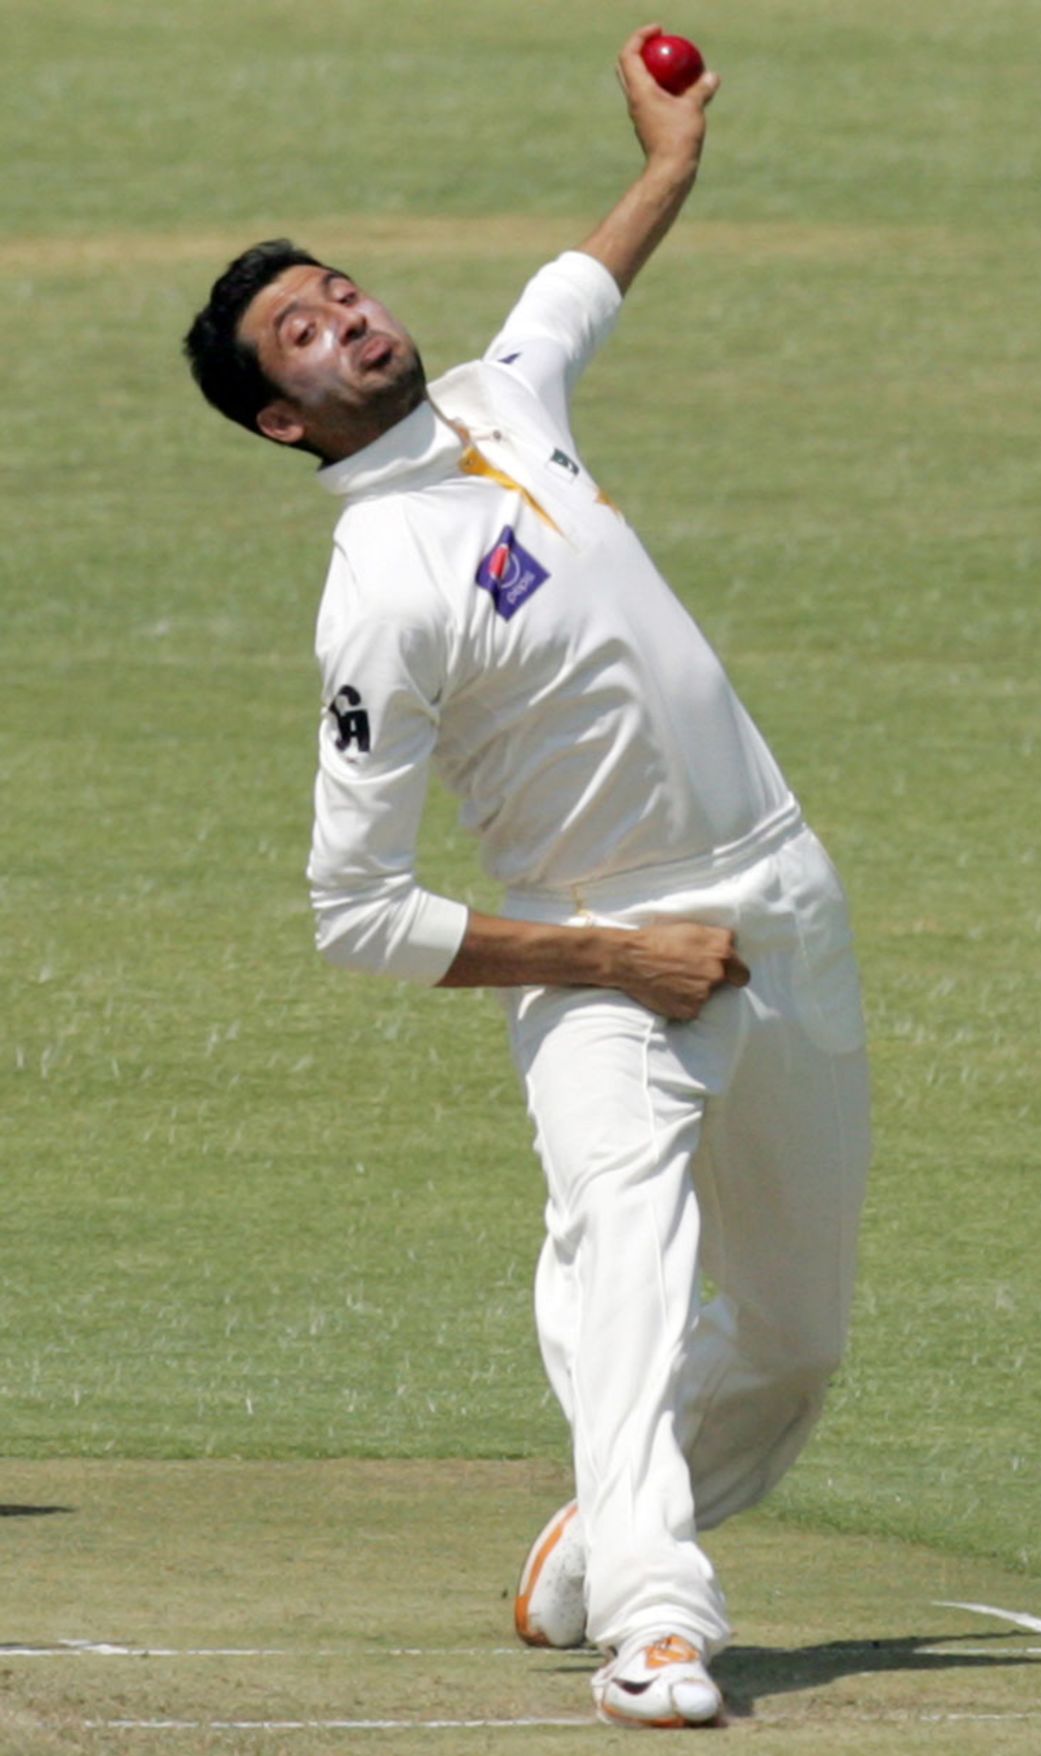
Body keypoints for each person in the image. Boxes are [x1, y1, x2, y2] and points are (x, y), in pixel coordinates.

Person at [184, 23, 871, 1730]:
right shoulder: (381, 583)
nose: (345, 316)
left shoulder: (503, 393)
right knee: (626, 1274)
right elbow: (355, 916)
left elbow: (578, 283)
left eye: (340, 290)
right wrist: (609, 960)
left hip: (782, 896)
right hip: (601, 954)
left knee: (792, 1342)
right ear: (284, 419)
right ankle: (656, 1623)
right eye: (303, 333)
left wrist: (672, 158)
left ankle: (592, 1551)